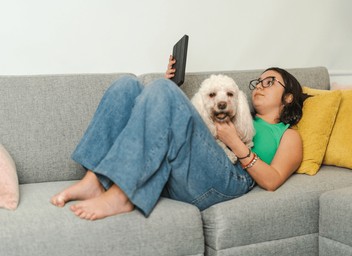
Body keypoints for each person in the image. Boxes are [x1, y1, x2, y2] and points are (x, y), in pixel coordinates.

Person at [50, 55, 308, 221]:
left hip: (230, 179)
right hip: (192, 169)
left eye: (270, 82)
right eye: (257, 82)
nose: (260, 86)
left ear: (288, 97)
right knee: (127, 85)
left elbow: (272, 181)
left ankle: (123, 195)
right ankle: (94, 178)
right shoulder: (236, 108)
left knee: (162, 90)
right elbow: (193, 135)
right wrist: (159, 97)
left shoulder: (288, 135)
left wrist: (236, 143)